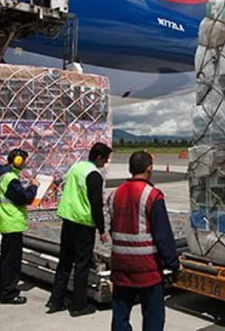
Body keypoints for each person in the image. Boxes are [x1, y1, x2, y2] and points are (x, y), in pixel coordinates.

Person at [108, 151, 179, 331]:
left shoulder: (114, 194)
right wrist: (174, 264)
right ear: (149, 169)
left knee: (120, 315)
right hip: (147, 268)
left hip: (120, 266)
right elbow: (163, 235)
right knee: (153, 316)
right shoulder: (152, 195)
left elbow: (112, 227)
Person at [47, 142, 111, 317]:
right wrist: (102, 229)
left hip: (68, 220)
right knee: (82, 265)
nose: (105, 163)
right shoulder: (94, 175)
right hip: (83, 224)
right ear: (99, 157)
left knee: (65, 262)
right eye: (105, 159)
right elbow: (96, 204)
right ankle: (78, 305)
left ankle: (56, 300)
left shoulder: (76, 168)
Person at [0, 148, 40, 305]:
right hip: (12, 222)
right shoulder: (10, 178)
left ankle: (4, 290)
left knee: (7, 260)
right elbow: (24, 198)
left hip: (6, 221)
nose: (25, 164)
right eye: (24, 161)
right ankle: (9, 293)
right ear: (18, 161)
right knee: (12, 262)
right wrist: (34, 187)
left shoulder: (3, 176)